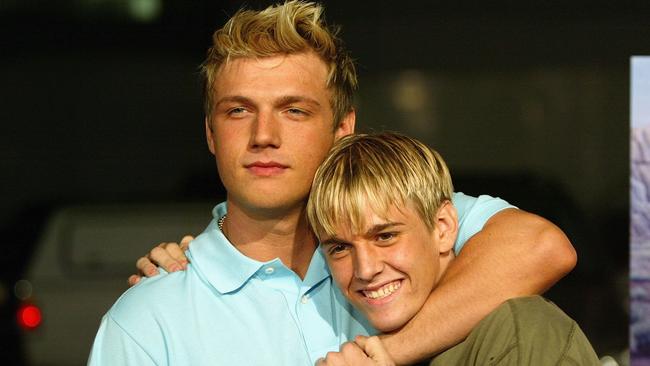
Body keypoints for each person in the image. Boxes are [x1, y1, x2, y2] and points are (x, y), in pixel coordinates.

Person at [89, 1, 577, 365]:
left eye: (293, 110)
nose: (263, 136)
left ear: (343, 129)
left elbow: (541, 247)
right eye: (238, 110)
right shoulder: (148, 319)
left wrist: (386, 353)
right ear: (211, 133)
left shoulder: (403, 230)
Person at [306, 132, 599, 365]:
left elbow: (546, 246)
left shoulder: (516, 332)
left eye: (385, 237)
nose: (366, 269)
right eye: (341, 247)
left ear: (443, 228)